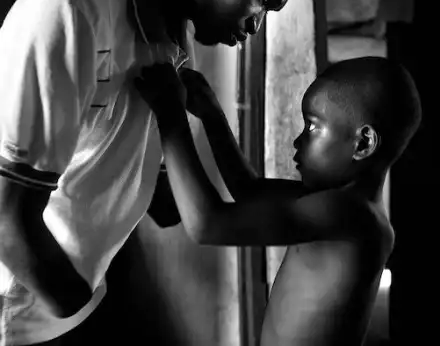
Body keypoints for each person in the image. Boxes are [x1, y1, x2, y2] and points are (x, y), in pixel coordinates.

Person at [0, 0, 307, 344]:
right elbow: (6, 215)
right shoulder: (70, 7)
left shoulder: (176, 46)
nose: (256, 26)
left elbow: (164, 205)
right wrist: (73, 300)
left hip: (81, 299)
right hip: (22, 318)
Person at [134, 56, 422, 346]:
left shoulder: (352, 217)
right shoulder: (339, 203)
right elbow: (248, 190)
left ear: (363, 143)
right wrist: (211, 114)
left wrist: (169, 113)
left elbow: (207, 225)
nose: (297, 141)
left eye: (312, 127)